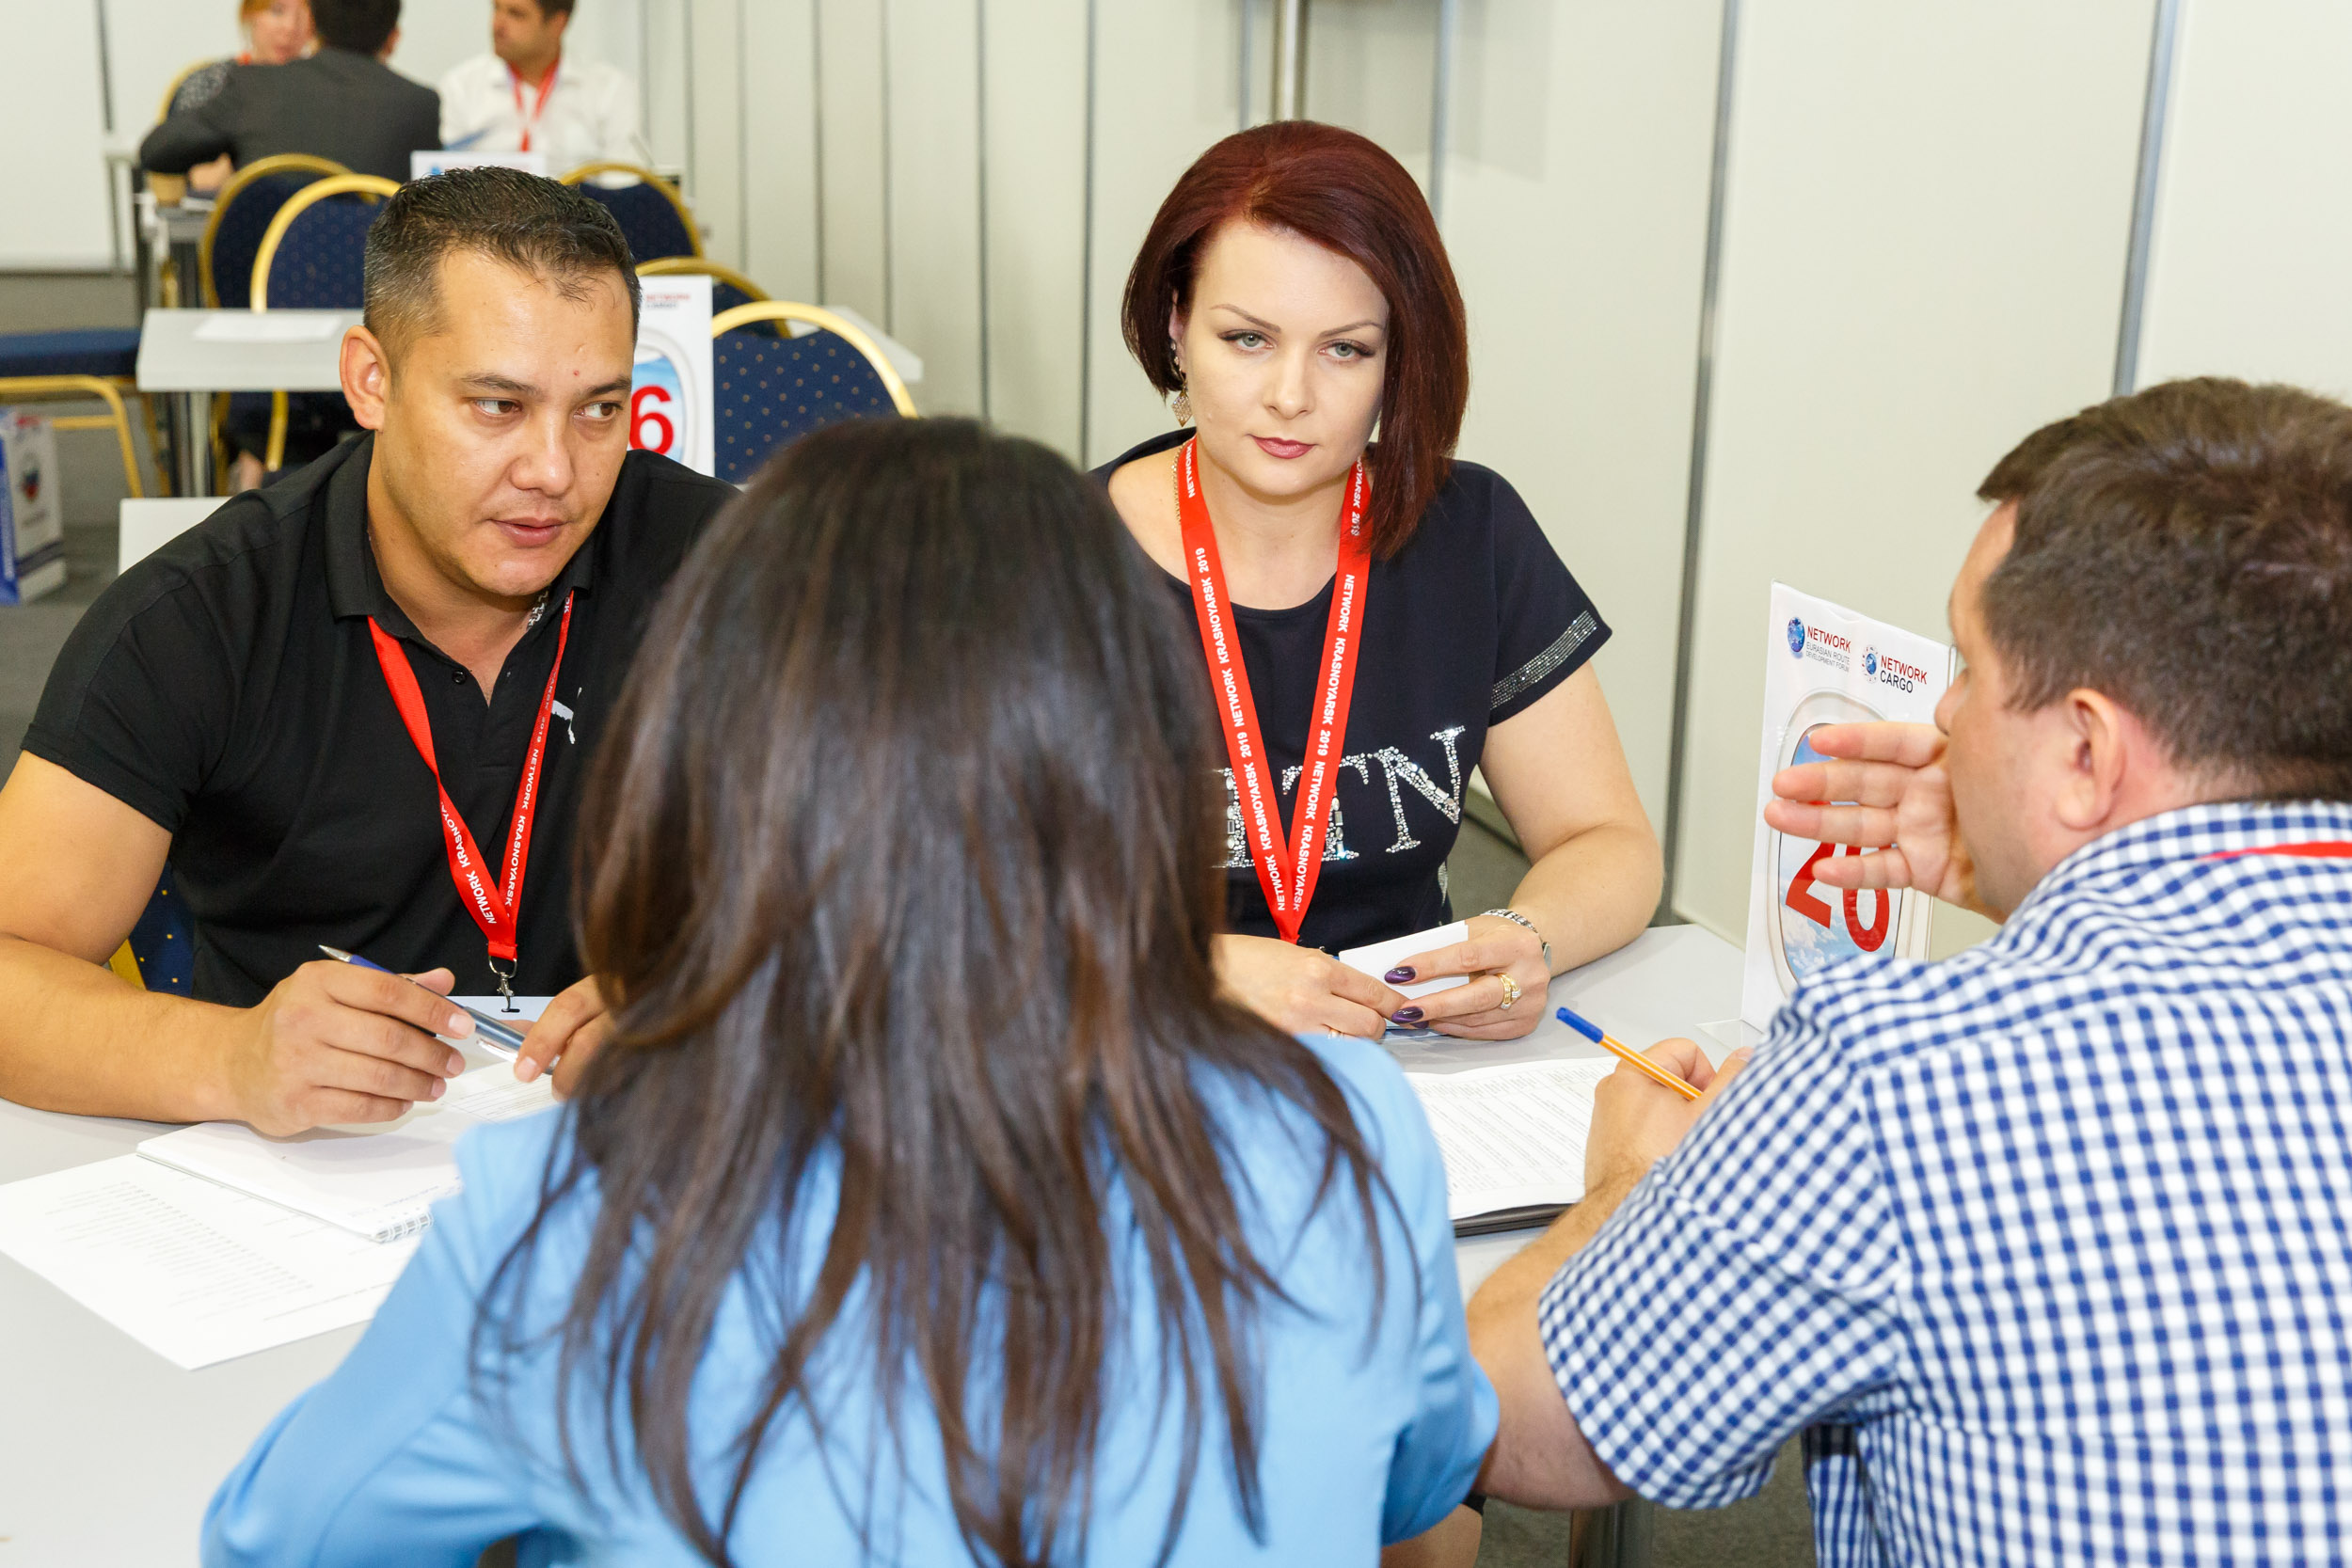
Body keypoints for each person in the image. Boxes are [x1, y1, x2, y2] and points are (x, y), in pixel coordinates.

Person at [200, 417, 1495, 1566]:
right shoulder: (1350, 1132)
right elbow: (1418, 1489)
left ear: (708, 762)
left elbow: (281, 1543)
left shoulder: (571, 1226)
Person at [1468, 377, 2352, 1565]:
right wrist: (2028, 869)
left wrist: (1630, 1176)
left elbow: (1511, 1419)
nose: (1944, 711)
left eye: (1969, 667)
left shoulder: (1905, 1071)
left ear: (2085, 750)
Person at [0, 167, 730, 1136]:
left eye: (599, 409)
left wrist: (727, 990)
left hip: (631, 1149)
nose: (555, 471)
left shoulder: (730, 568)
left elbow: (903, 879)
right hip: (301, 1169)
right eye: (497, 406)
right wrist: (232, 1058)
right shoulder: (202, 616)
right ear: (370, 381)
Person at [1096, 121, 1661, 1048]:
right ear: (1175, 326)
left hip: (1408, 1060)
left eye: (1345, 349)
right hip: (1139, 1058)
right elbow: (948, 902)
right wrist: (1188, 973)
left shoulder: (1468, 532)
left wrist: (1525, 937)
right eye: (1247, 338)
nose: (1290, 395)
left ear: (1400, 357)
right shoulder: (1052, 560)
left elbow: (1607, 841)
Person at [140, 0, 439, 185]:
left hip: (263, 268)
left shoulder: (252, 86)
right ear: (393, 38)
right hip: (370, 271)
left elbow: (156, 152)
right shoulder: (420, 106)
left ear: (313, 25)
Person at [437, 0, 651, 176]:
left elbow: (624, 183)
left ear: (558, 23)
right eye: (496, 8)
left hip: (576, 213)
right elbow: (442, 176)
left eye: (516, 14)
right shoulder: (461, 86)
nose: (497, 24)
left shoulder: (610, 89)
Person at [164, 0, 317, 195]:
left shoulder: (323, 89)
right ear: (249, 15)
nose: (290, 27)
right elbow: (205, 182)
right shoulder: (213, 82)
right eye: (277, 11)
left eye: (304, 16)